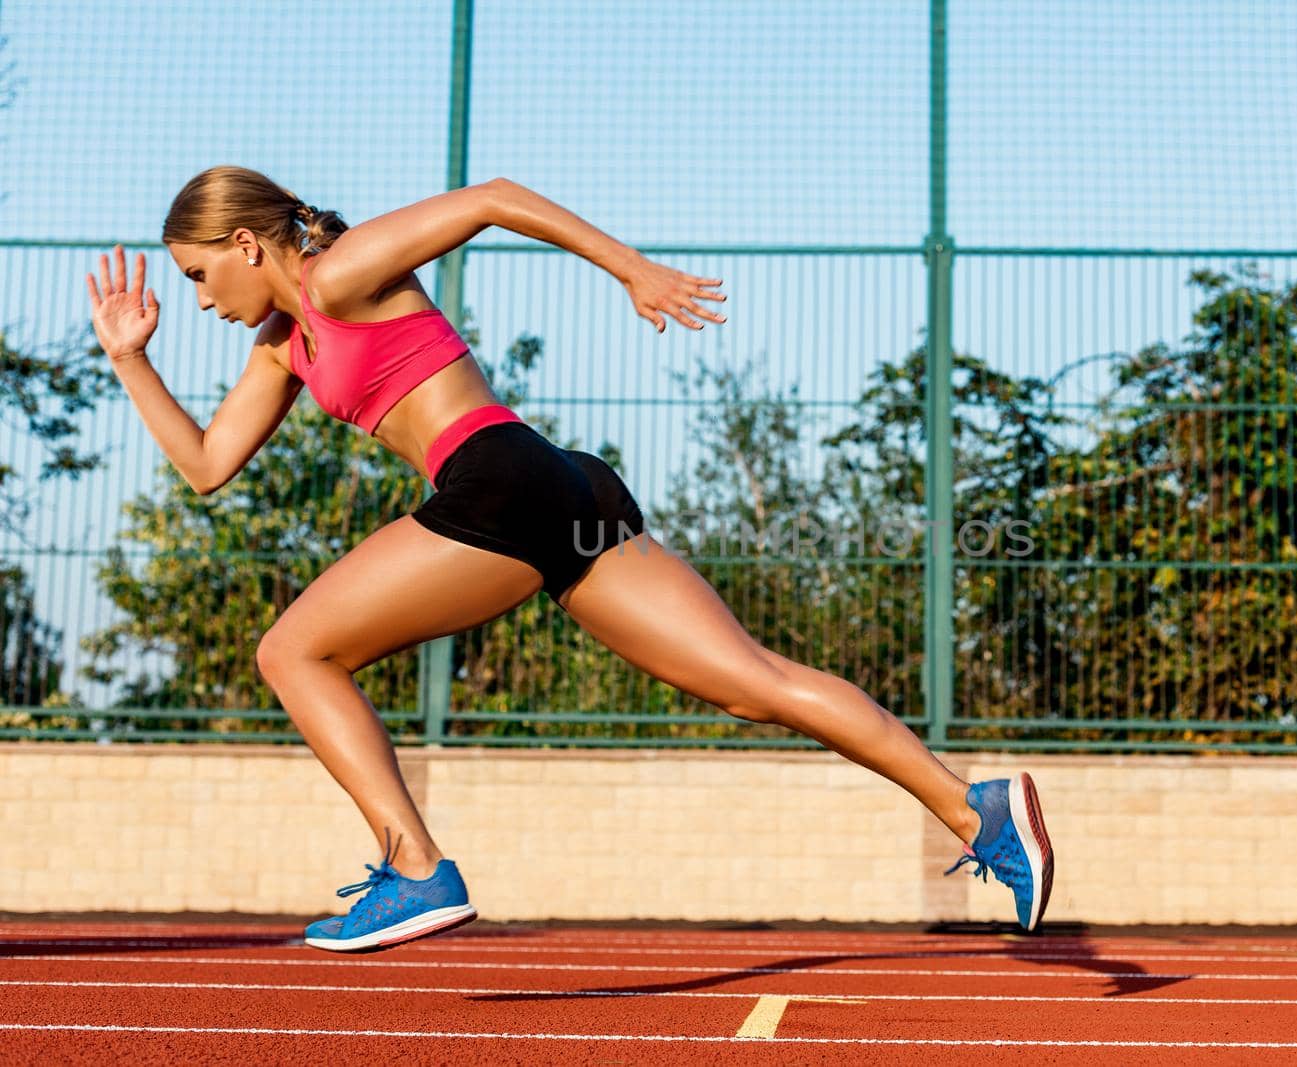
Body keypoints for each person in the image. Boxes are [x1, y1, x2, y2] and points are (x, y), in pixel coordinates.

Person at [85, 166, 1053, 950]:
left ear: (246, 244)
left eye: (199, 276)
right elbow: (208, 465)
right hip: (562, 488)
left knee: (294, 652)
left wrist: (632, 268)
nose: (200, 299)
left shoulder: (339, 273)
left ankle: (415, 867)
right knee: (752, 681)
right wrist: (131, 357)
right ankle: (977, 809)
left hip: (498, 479)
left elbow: (494, 197)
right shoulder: (279, 345)